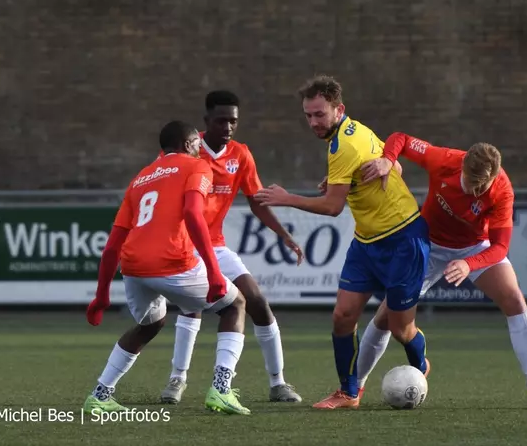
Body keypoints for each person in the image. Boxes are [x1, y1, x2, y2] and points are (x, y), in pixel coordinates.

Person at [254, 75, 431, 410]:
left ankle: (420, 364)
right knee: (342, 316)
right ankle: (348, 393)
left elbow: (333, 208)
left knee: (401, 329)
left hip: (403, 239)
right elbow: (395, 172)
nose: (313, 122)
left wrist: (286, 197)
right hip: (366, 242)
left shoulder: (345, 145)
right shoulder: (355, 132)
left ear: (339, 109)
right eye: (308, 115)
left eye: (319, 114)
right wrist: (345, 181)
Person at [358, 133, 527, 409]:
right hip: (429, 244)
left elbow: (500, 247)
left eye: (482, 188)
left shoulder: (502, 190)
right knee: (387, 318)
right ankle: (353, 388)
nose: (474, 192)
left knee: (514, 299)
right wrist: (387, 159)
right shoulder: (444, 160)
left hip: (473, 248)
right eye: (470, 183)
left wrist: (469, 263)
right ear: (463, 165)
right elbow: (400, 139)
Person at [84, 121, 251, 416]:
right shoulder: (196, 167)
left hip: (134, 266)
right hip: (172, 261)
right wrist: (213, 272)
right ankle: (221, 390)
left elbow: (112, 246)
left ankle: (100, 394)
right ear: (187, 144)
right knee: (235, 304)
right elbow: (192, 213)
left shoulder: (141, 178)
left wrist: (101, 296)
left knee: (150, 324)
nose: (200, 148)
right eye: (196, 144)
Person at [160, 91, 304, 405]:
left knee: (256, 300)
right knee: (191, 306)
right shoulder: (187, 150)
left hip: (216, 246)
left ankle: (278, 383)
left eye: (233, 121)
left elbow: (256, 202)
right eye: (221, 120)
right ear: (206, 121)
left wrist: (284, 235)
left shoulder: (241, 155)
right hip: (184, 245)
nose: (227, 126)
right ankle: (177, 379)